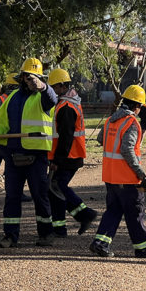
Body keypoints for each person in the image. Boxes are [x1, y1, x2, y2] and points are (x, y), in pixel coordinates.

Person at [0, 58, 58, 248]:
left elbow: (53, 99)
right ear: (21, 78)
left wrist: (43, 86)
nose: (29, 81)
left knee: (39, 195)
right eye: (27, 77)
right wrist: (0, 144)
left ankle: (46, 234)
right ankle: (10, 236)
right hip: (13, 156)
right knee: (12, 196)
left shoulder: (43, 97)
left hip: (36, 157)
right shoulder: (12, 98)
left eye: (33, 78)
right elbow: (0, 123)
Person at [90, 85, 146, 259]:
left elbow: (101, 139)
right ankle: (143, 249)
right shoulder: (131, 123)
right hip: (127, 178)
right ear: (136, 105)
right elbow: (127, 150)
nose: (139, 111)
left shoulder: (110, 120)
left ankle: (100, 243)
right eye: (139, 107)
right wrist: (140, 173)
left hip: (110, 176)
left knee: (113, 211)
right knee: (135, 212)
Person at [47, 68, 98, 237]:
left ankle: (85, 215)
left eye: (54, 87)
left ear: (62, 86)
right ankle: (61, 228)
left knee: (57, 187)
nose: (52, 90)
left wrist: (56, 160)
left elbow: (66, 138)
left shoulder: (66, 106)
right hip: (71, 155)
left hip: (68, 157)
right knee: (55, 190)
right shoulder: (68, 102)